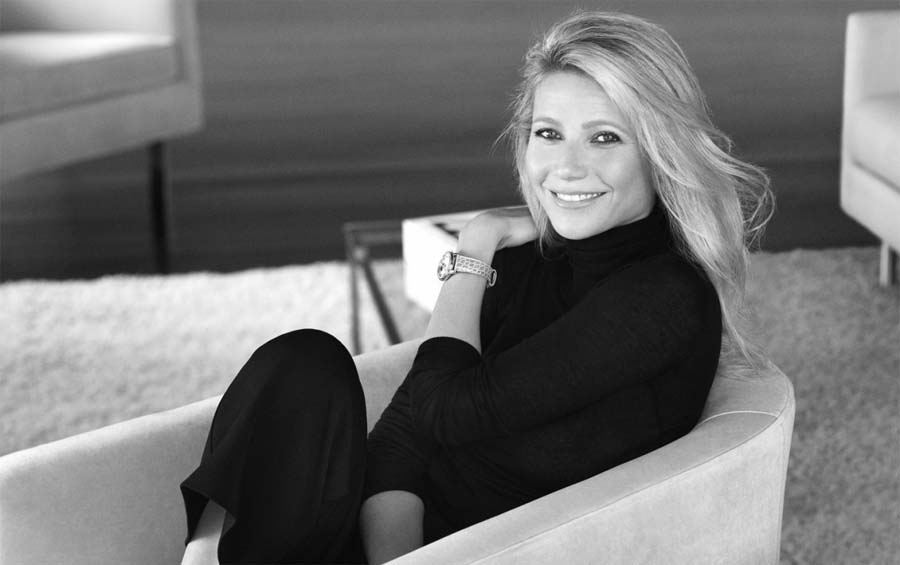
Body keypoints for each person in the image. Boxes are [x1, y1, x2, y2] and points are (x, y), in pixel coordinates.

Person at [179, 10, 773, 565]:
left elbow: (443, 409)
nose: (567, 167)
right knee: (303, 359)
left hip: (483, 553)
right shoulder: (532, 259)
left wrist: (476, 244)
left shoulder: (662, 296)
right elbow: (404, 432)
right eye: (548, 133)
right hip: (391, 545)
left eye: (604, 138)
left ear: (660, 152)